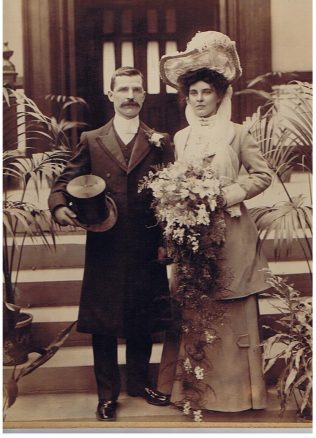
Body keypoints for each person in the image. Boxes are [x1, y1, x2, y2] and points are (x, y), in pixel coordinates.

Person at [48, 66, 174, 421]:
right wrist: (59, 207)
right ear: (111, 95)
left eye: (137, 89)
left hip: (147, 243)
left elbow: (172, 198)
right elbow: (64, 182)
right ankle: (106, 394)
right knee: (103, 321)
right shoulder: (92, 140)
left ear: (145, 96)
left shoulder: (160, 141)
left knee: (143, 316)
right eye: (123, 90)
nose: (130, 96)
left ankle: (138, 382)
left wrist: (166, 240)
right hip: (105, 243)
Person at [157, 31, 273, 412]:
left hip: (232, 233)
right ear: (186, 97)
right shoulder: (181, 138)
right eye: (194, 93)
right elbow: (177, 182)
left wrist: (227, 194)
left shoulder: (238, 134)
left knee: (230, 306)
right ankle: (193, 396)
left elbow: (261, 175)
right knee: (195, 305)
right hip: (193, 236)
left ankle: (238, 397)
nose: (200, 98)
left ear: (220, 95)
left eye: (207, 92)